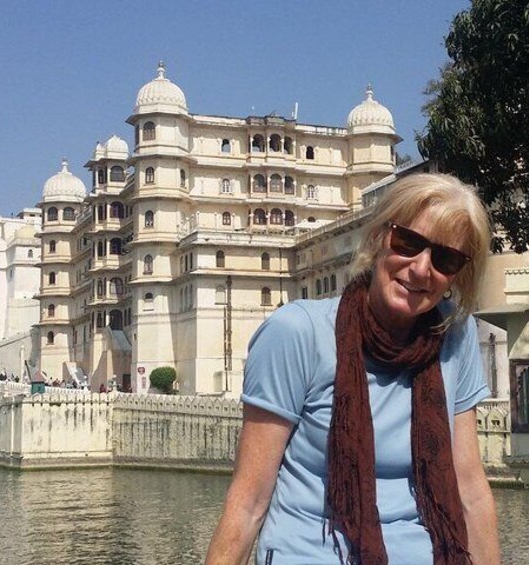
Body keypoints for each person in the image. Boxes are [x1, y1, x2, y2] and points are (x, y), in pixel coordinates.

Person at [206, 174, 500, 565]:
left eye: (445, 259)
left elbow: (470, 490)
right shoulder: (298, 333)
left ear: (456, 275)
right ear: (379, 236)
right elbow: (248, 502)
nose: (420, 269)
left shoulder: (454, 336)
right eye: (409, 243)